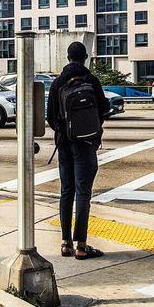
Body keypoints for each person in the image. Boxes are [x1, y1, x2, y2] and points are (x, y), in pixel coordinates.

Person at [46, 41, 110, 260]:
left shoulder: (58, 83)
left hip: (65, 144)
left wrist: (65, 132)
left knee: (67, 191)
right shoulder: (92, 81)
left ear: (67, 57)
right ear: (85, 57)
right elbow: (104, 109)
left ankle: (65, 243)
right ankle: (81, 245)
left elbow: (50, 117)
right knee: (83, 193)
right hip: (86, 145)